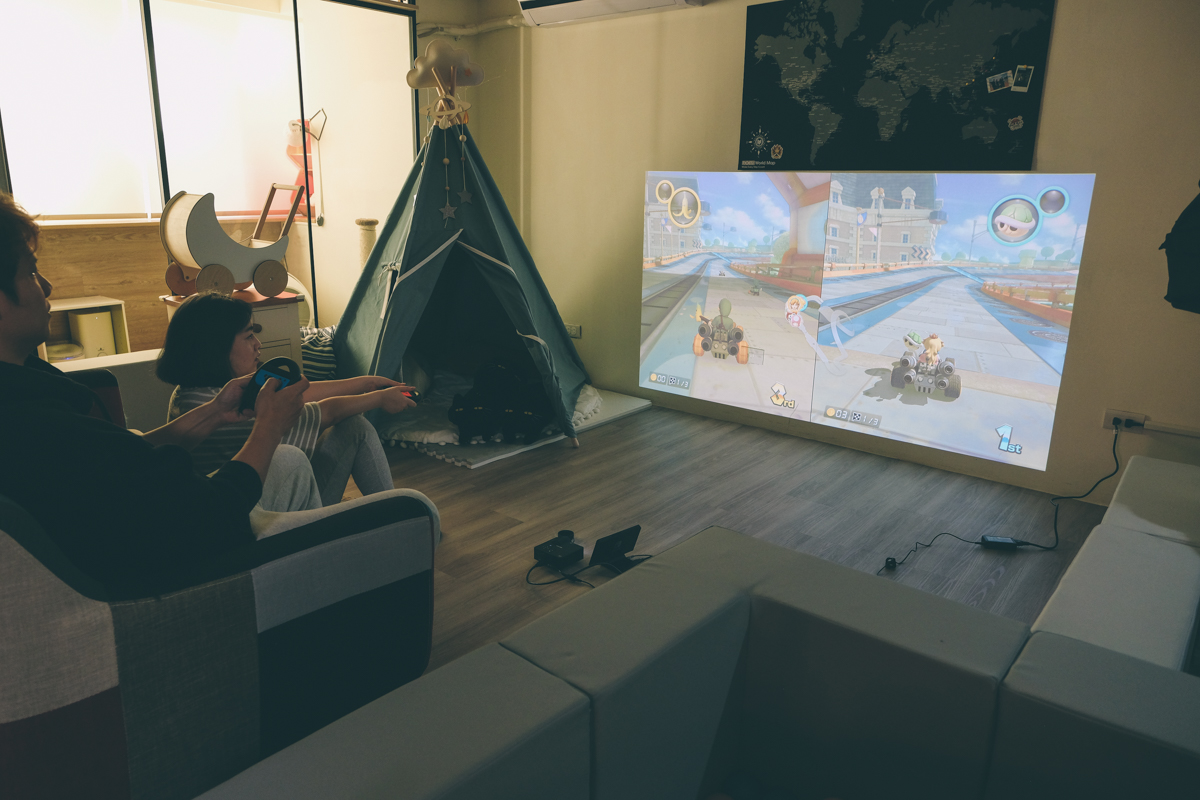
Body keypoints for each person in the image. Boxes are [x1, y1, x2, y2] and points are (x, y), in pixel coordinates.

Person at [0, 192, 315, 598]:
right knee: (391, 512)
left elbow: (115, 459)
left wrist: (214, 412)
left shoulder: (34, 397)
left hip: (166, 533)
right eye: (30, 273)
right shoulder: (35, 426)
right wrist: (269, 426)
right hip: (204, 572)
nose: (46, 285)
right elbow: (214, 513)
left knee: (289, 460)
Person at [156, 292, 415, 508]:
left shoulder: (191, 393)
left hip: (259, 502)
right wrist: (378, 398)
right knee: (351, 429)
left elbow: (304, 393)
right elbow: (327, 412)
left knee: (348, 427)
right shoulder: (227, 408)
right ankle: (399, 518)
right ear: (217, 346)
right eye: (248, 336)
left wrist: (366, 383)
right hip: (256, 518)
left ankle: (392, 514)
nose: (258, 344)